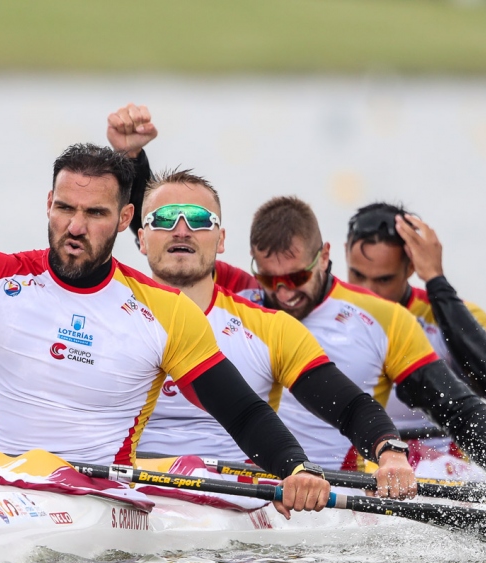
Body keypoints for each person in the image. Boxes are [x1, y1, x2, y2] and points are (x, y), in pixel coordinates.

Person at [0, 128, 330, 517]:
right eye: (65, 208)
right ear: (48, 204)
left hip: (100, 501)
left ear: (123, 218)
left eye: (94, 213)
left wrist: (297, 469)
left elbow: (242, 413)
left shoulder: (163, 311)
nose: (75, 226)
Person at [112, 106, 486, 485]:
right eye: (270, 279)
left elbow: (461, 410)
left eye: (297, 278)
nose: (283, 293)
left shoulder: (386, 321)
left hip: (329, 491)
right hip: (252, 476)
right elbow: (174, 243)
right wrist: (131, 158)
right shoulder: (246, 294)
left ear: (323, 258)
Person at [127, 167, 418, 499]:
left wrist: (391, 452)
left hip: (237, 501)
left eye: (199, 219)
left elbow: (351, 407)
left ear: (221, 240)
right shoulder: (110, 318)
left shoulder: (272, 329)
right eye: (164, 220)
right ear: (141, 238)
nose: (182, 231)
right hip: (131, 491)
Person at [344, 203, 486, 436]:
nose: (368, 292)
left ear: (411, 266)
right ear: (345, 253)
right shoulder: (323, 311)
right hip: (361, 456)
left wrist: (435, 279)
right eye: (357, 275)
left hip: (441, 461)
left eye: (383, 280)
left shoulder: (460, 317)